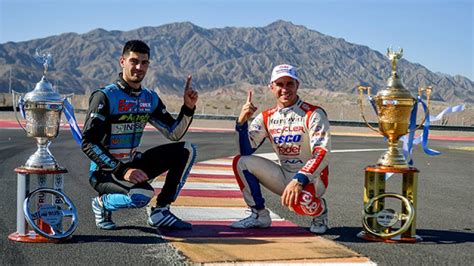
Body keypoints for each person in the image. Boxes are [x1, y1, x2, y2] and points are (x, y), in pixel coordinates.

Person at [81, 40, 198, 231]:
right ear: (122, 62)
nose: (139, 67)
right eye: (134, 61)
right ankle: (101, 203)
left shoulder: (149, 98)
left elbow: (174, 134)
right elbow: (88, 143)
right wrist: (122, 170)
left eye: (144, 63)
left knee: (187, 150)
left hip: (134, 164)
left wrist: (188, 108)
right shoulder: (105, 97)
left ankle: (161, 211)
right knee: (142, 195)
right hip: (106, 172)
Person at [232, 64, 330, 234]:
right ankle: (259, 215)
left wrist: (299, 179)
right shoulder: (266, 117)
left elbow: (322, 152)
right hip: (284, 175)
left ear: (297, 85)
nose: (285, 89)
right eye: (279, 84)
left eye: (289, 84)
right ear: (272, 87)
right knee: (241, 162)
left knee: (302, 202)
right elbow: (246, 151)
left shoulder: (314, 114)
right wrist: (241, 124)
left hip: (313, 179)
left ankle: (320, 212)